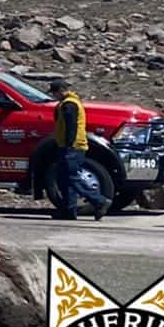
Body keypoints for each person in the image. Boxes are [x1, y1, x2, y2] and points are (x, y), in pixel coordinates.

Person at [48, 77, 104, 220]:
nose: (53, 96)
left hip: (72, 147)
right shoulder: (68, 103)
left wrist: (68, 145)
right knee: (64, 179)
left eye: (54, 92)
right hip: (68, 146)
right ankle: (69, 210)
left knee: (71, 177)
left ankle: (99, 201)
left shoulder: (69, 104)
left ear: (61, 90)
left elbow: (71, 127)